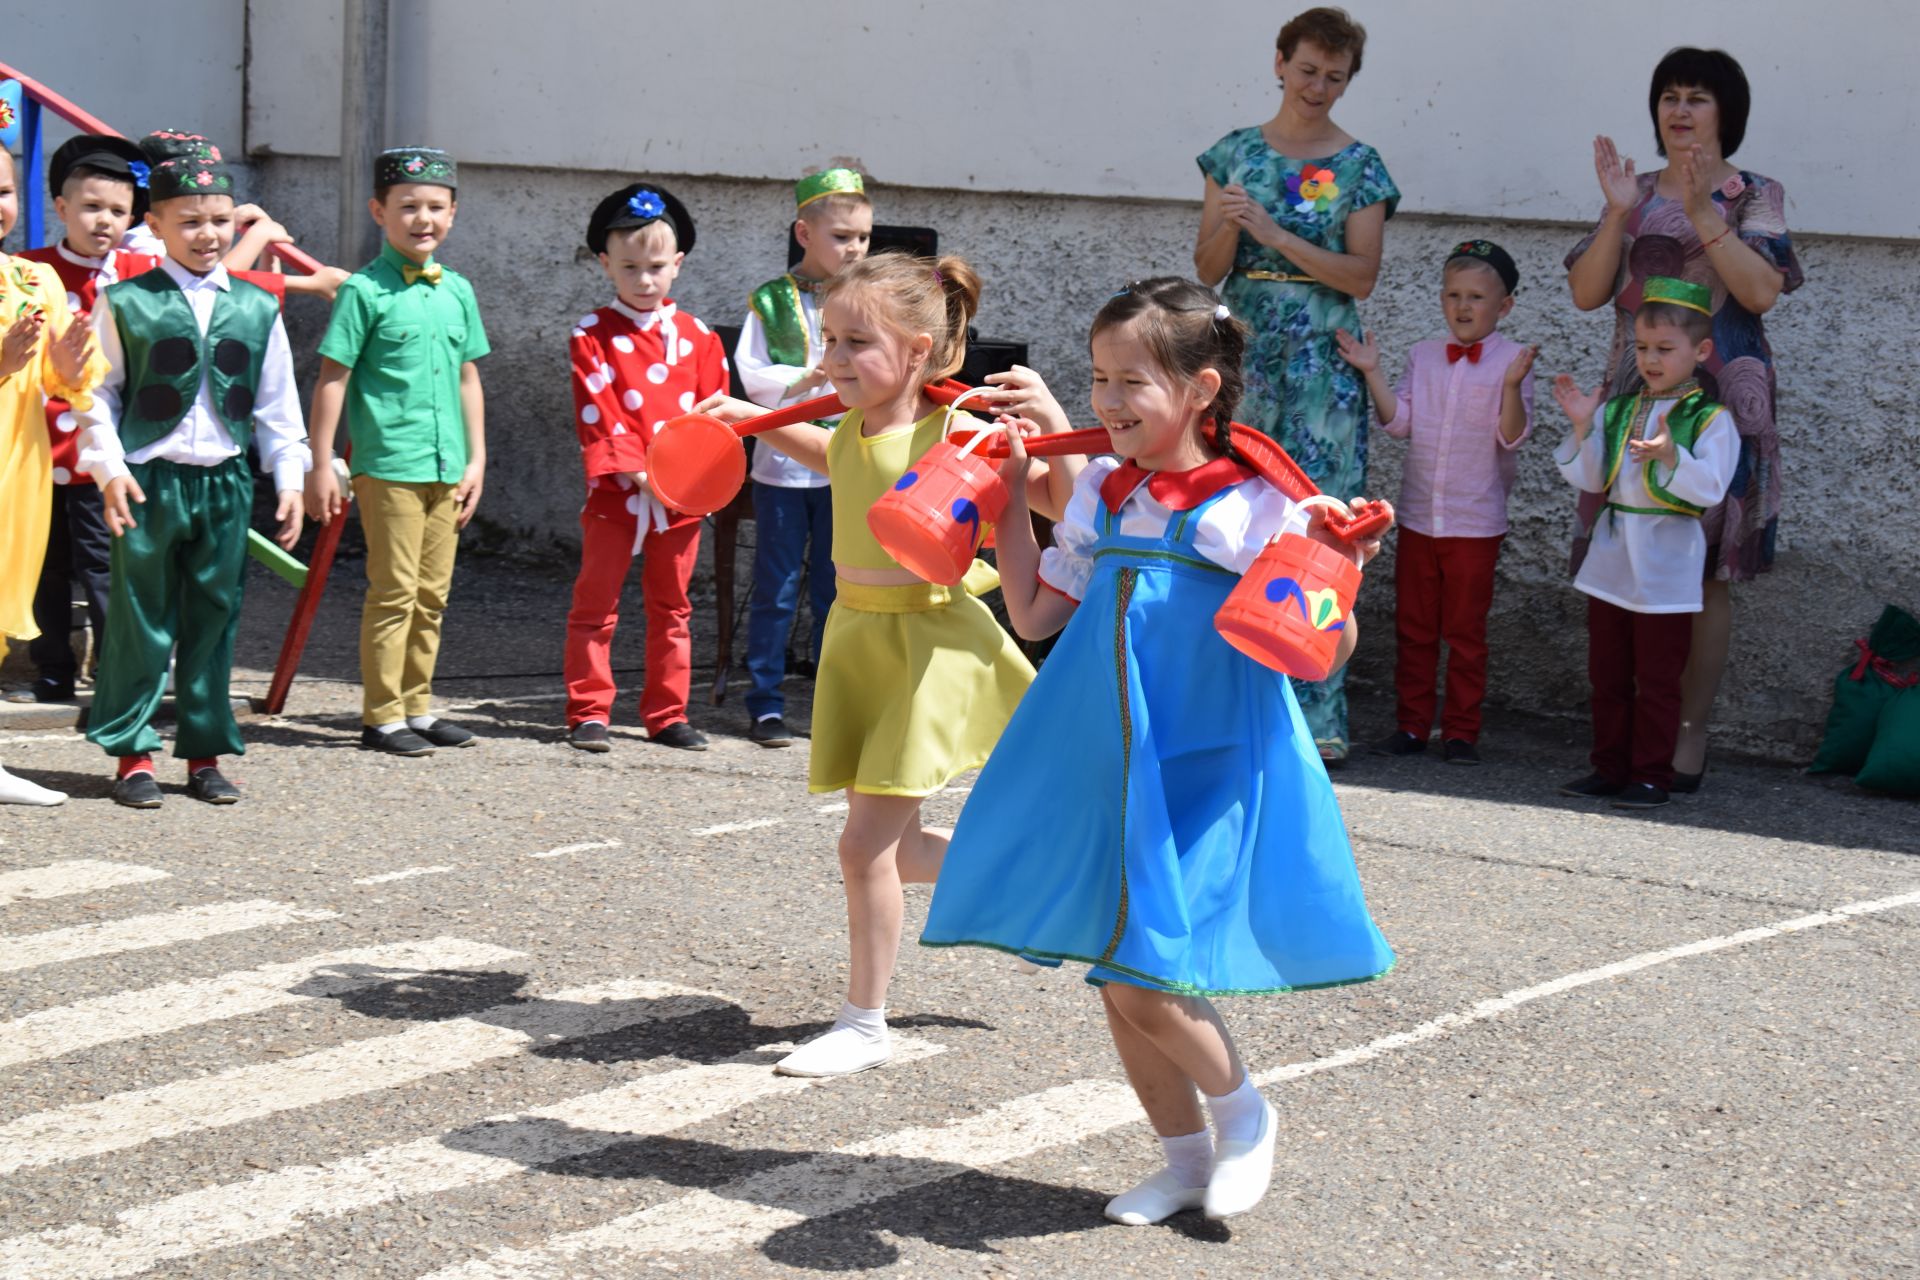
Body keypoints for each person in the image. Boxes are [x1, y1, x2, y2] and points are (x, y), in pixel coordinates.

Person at [922, 278, 1394, 1225]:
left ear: (1200, 389)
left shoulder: (1259, 503)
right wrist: (1013, 505)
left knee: (1143, 975)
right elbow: (1034, 613)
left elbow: (1326, 653)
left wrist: (1332, 571)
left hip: (1207, 764)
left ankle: (1245, 1112)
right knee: (1119, 974)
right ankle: (1183, 1162)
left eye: (1129, 381)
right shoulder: (1101, 491)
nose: (1104, 402)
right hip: (1109, 760)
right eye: (1097, 379)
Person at [693, 251, 1081, 1077]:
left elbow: (1068, 506)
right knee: (898, 855)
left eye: (854, 342)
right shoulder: (850, 430)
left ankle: (864, 1024)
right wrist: (737, 416)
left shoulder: (960, 432)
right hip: (860, 639)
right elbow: (822, 452)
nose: (832, 358)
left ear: (917, 349)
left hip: (926, 650)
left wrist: (1047, 430)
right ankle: (1032, 879)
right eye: (828, 339)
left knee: (861, 846)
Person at [1564, 47, 1801, 792]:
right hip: (1636, 393)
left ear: (1726, 111)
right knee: (1625, 553)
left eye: (1697, 97)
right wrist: (1613, 211)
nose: (1680, 110)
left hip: (1725, 394)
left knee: (1707, 570)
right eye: (1669, 96)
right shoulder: (1629, 193)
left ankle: (1687, 737)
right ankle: (1625, 744)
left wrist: (1702, 210)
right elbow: (1587, 291)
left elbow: (1761, 292)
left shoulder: (1754, 193)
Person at [1194, 5, 1399, 764]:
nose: (1318, 87)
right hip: (1245, 350)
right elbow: (1208, 268)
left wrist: (1278, 235)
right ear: (1280, 62)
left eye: (1335, 77)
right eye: (1308, 70)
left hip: (1321, 363)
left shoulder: (1360, 167)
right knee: (1232, 509)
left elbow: (1363, 275)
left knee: (1323, 521)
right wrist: (1232, 223)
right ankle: (1225, 687)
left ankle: (1315, 708)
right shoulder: (1234, 156)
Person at [75, 154, 309, 808]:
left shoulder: (259, 308)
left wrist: (288, 476)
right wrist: (110, 468)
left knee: (215, 616)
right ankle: (132, 752)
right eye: (190, 222)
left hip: (225, 483)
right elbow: (96, 394)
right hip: (148, 481)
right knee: (140, 617)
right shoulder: (125, 302)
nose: (208, 234)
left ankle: (205, 752)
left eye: (220, 221)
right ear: (155, 226)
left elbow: (275, 403)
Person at [305, 147, 490, 759]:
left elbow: (467, 377)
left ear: (454, 214)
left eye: (435, 207)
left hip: (447, 463)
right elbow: (333, 377)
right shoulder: (364, 291)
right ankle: (381, 715)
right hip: (388, 463)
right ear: (378, 212)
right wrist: (323, 460)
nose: (422, 219)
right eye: (407, 207)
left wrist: (476, 458)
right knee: (394, 589)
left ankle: (418, 704)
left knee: (433, 592)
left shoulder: (457, 290)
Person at [1336, 240, 1536, 764]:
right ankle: (1411, 725)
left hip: (1476, 523)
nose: (1463, 306)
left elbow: (1511, 437)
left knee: (1466, 634)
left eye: (1476, 296)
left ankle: (1462, 732)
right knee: (1415, 627)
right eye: (1453, 294)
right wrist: (1371, 371)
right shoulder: (1423, 355)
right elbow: (1398, 423)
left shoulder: (1514, 361)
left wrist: (1512, 387)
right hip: (1421, 516)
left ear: (1504, 306)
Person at [1551, 278, 1737, 811]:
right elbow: (1590, 479)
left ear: (1700, 352)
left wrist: (1669, 457)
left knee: (1657, 677)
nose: (1650, 360)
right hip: (1613, 556)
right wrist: (1586, 424)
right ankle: (1608, 767)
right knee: (1607, 671)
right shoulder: (1621, 408)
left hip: (1666, 559)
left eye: (1664, 349)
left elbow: (1712, 486)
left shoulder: (1709, 419)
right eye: (1642, 348)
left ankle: (1652, 774)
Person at [561, 181, 729, 754]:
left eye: (656, 266)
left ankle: (668, 713)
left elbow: (714, 416)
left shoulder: (700, 337)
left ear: (677, 265)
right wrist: (636, 472)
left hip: (678, 498)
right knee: (595, 603)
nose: (644, 279)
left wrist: (689, 479)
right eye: (630, 266)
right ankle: (588, 710)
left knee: (674, 607)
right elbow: (599, 409)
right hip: (619, 493)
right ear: (606, 263)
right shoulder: (591, 335)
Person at [732, 168, 873, 748]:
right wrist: (808, 376)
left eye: (864, 237)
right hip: (786, 468)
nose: (855, 248)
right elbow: (751, 373)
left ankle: (829, 698)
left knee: (837, 587)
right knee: (777, 585)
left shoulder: (868, 298)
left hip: (847, 462)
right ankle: (764, 700)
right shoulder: (771, 301)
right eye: (843, 236)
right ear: (804, 233)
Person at [9, 136, 149, 707]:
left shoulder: (143, 273)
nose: (104, 221)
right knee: (46, 568)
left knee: (105, 567)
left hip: (101, 455)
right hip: (38, 452)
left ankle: (116, 669)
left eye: (117, 211)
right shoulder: (30, 271)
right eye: (91, 208)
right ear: (62, 209)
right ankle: (52, 669)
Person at [0, 148, 102, 805]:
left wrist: (68, 361)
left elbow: (71, 385)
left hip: (19, 485)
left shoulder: (31, 281)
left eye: (4, 190)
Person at [125, 130, 349, 302]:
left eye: (220, 219)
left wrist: (270, 252)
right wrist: (258, 238)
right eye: (192, 220)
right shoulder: (140, 244)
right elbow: (208, 287)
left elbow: (259, 306)